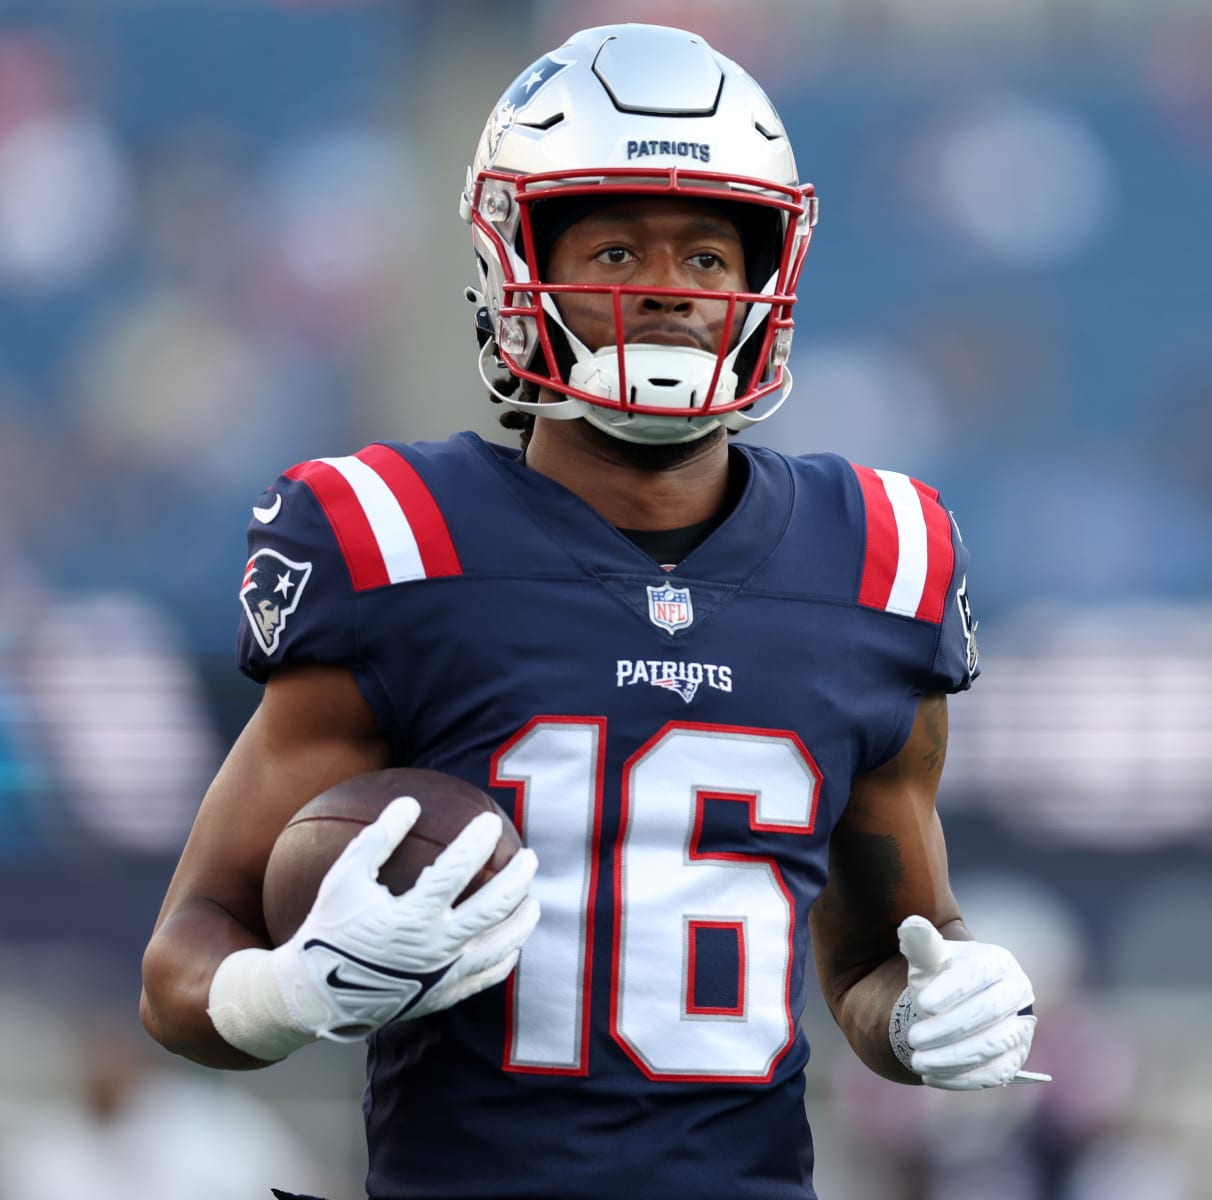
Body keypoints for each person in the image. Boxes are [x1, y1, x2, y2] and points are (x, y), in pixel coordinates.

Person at [140, 22, 1042, 1199]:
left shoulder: (880, 560)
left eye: (710, 257)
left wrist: (936, 1011)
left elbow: (880, 959)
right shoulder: (396, 541)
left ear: (765, 281)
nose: (667, 291)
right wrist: (292, 989)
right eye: (615, 248)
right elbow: (180, 968)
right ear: (515, 257)